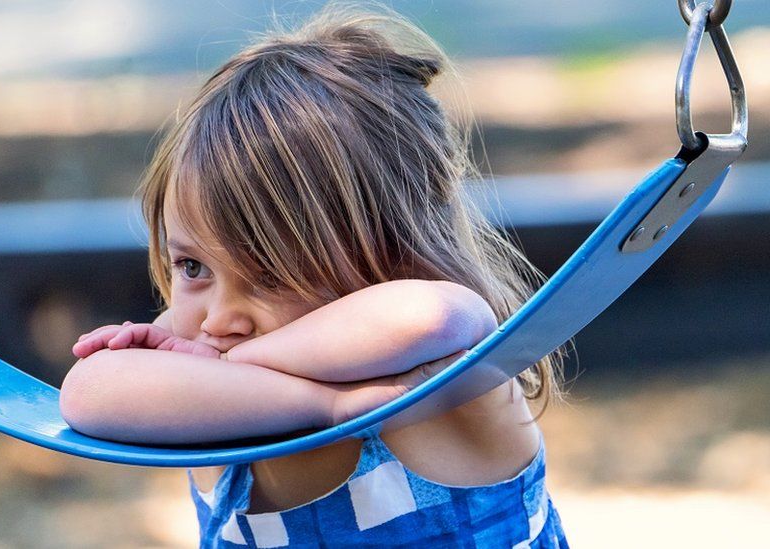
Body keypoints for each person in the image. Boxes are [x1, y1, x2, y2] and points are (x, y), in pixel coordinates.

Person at [60, 4, 569, 547]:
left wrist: (265, 378)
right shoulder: (200, 345)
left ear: (395, 260)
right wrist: (305, 397)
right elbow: (87, 392)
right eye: (192, 267)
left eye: (271, 275)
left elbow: (440, 316)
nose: (220, 319)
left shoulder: (443, 386)